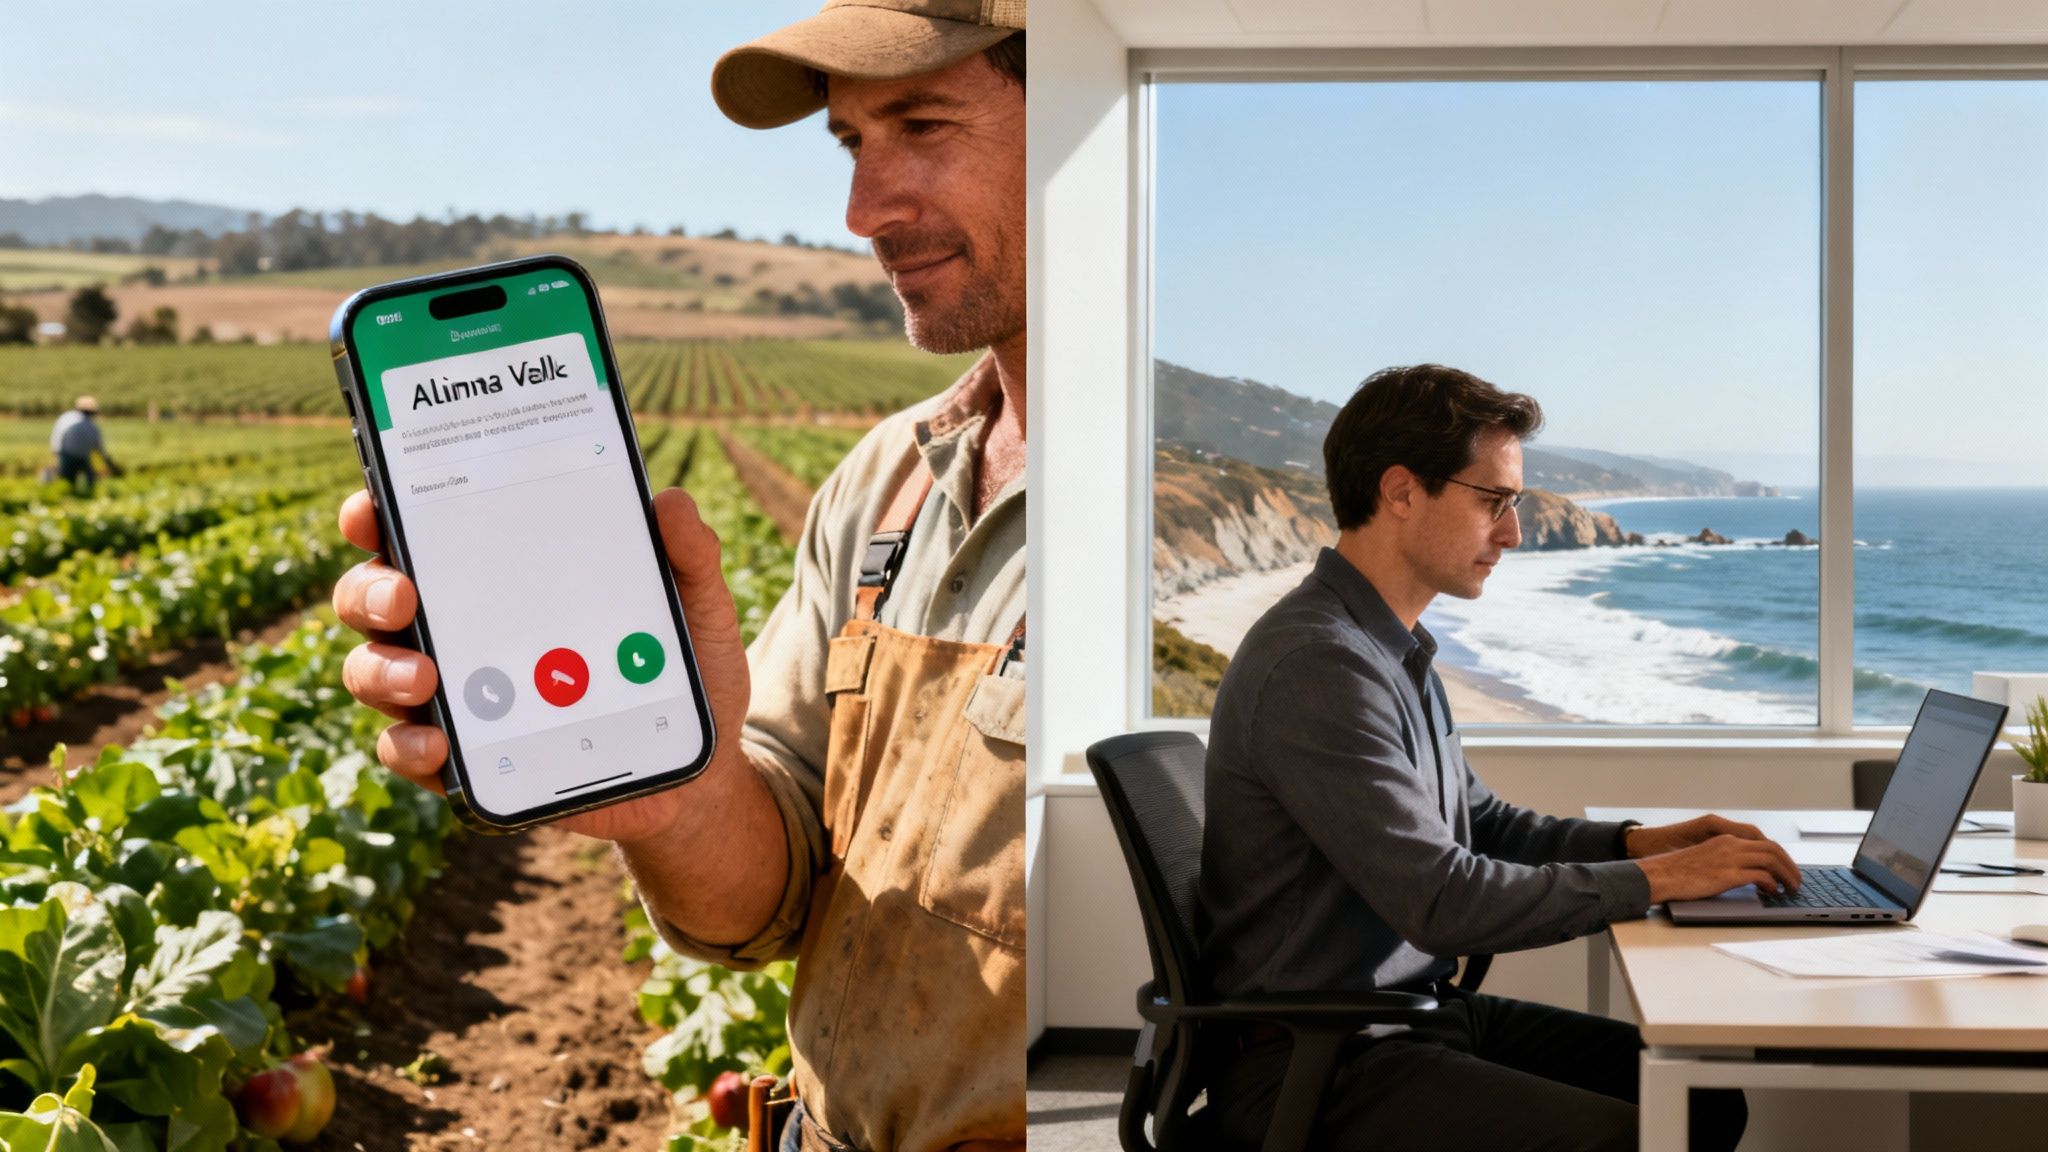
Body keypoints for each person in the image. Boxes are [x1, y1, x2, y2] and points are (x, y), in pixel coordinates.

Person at [330, 3, 1026, 1151]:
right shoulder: (884, 484)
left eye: (921, 122)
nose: (863, 212)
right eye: (852, 143)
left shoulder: (1226, 511)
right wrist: (678, 798)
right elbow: (771, 900)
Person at [1197, 364, 1800, 1151]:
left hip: (1406, 1019)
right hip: (1318, 1064)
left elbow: (1476, 823)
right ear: (1402, 491)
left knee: (1704, 1101)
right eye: (1494, 502)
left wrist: (1637, 844)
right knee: (1639, 1136)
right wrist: (1660, 882)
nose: (1512, 533)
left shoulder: (1389, 645)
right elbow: (1443, 901)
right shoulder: (1320, 665)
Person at [48, 396, 122, 493]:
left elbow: (56, 436)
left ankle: (71, 498)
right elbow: (100, 449)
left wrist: (56, 453)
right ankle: (81, 496)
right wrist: (109, 463)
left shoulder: (66, 418)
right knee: (83, 481)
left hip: (68, 455)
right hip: (73, 456)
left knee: (68, 482)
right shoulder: (92, 427)